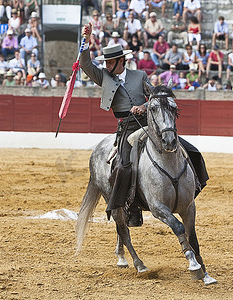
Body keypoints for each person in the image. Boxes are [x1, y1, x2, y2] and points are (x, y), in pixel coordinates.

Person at [80, 23, 209, 226]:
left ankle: (192, 189)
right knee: (122, 167)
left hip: (149, 125)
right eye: (105, 62)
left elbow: (158, 98)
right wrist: (85, 41)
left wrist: (144, 106)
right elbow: (86, 65)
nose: (106, 65)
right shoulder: (103, 77)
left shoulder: (139, 75)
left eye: (109, 61)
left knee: (191, 151)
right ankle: (131, 206)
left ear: (120, 61)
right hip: (127, 129)